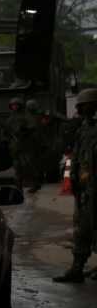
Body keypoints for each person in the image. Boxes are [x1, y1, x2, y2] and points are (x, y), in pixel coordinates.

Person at [53, 89, 97, 283]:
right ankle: (76, 268)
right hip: (85, 190)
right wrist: (72, 178)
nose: (79, 108)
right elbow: (76, 156)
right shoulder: (83, 129)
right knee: (81, 229)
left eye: (83, 104)